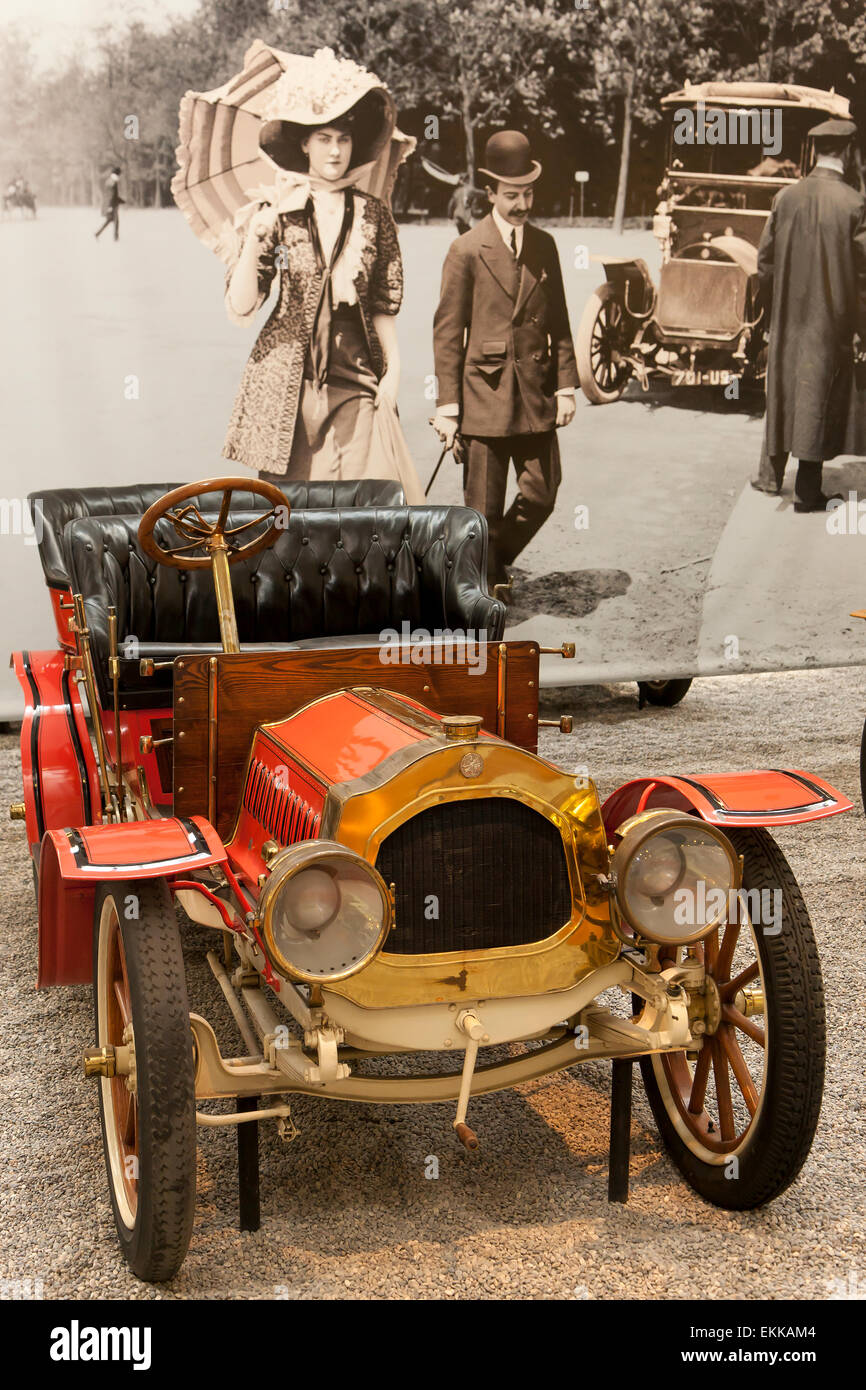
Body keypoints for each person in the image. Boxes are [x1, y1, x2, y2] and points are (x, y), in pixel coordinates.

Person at [223, 96, 423, 498]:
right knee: (290, 504)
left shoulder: (373, 214)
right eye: (324, 138)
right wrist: (254, 240)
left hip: (357, 369)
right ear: (304, 144)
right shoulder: (277, 211)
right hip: (288, 378)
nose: (335, 150)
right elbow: (242, 305)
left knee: (366, 497)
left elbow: (384, 301)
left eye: (344, 139)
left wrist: (395, 369)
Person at [432, 130, 577, 593]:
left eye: (528, 193)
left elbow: (562, 321)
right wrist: (448, 408)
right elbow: (448, 334)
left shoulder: (545, 245)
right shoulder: (467, 250)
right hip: (484, 396)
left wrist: (567, 386)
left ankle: (491, 561)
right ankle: (481, 585)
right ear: (490, 192)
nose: (521, 203)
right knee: (483, 509)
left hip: (535, 395)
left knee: (542, 493)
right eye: (511, 194)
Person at [752, 118, 866, 512]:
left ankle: (768, 477)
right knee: (815, 396)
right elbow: (864, 276)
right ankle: (806, 491)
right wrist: (861, 330)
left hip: (787, 318)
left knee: (782, 390)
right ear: (848, 152)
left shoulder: (786, 197)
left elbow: (763, 264)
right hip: (829, 320)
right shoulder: (854, 203)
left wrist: (768, 314)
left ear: (816, 151)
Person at [95, 167, 124, 241]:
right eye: (119, 175)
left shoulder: (109, 181)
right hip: (112, 205)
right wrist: (110, 206)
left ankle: (98, 233)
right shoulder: (113, 183)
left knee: (110, 220)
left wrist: (121, 201)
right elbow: (111, 196)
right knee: (116, 221)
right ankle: (116, 238)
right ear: (117, 174)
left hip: (109, 204)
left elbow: (112, 196)